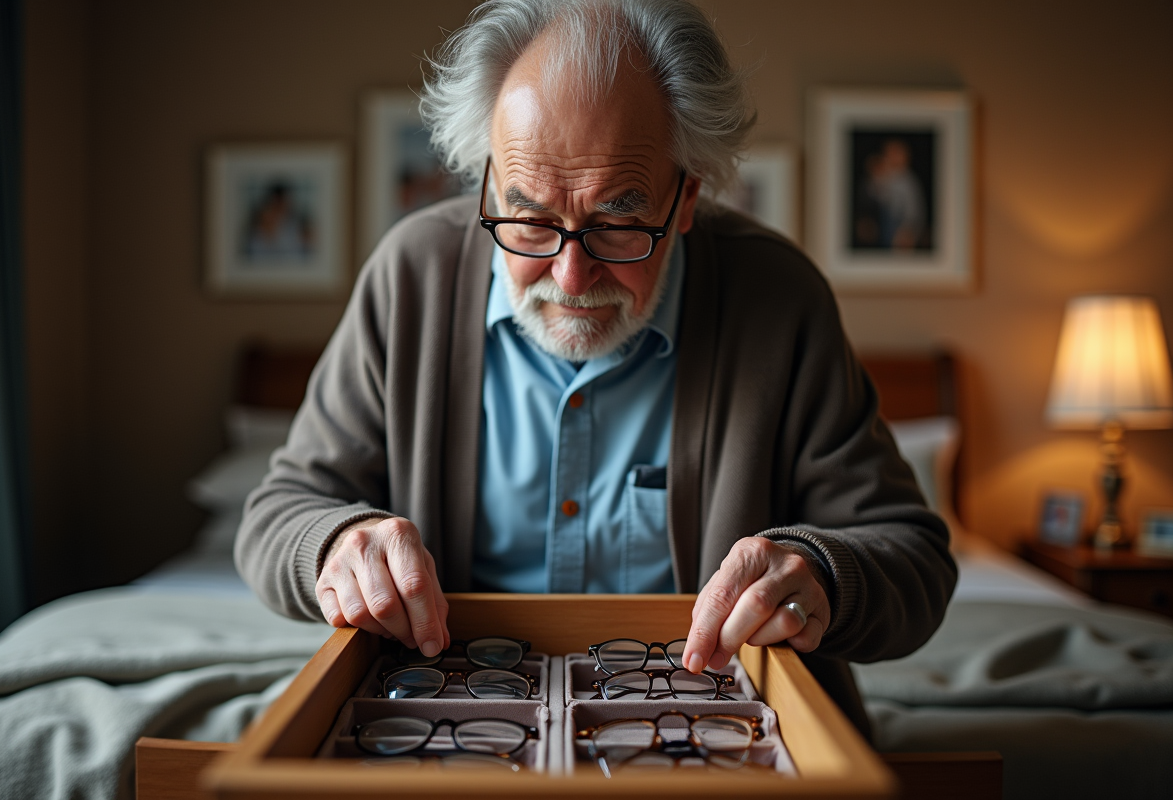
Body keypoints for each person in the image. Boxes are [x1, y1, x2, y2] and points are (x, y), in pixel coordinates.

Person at [235, 0, 956, 735]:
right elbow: (276, 514)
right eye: (529, 218)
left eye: (616, 222)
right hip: (444, 728)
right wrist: (333, 543)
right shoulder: (410, 275)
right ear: (488, 183)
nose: (570, 277)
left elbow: (914, 557)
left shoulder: (778, 297)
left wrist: (822, 573)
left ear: (686, 197)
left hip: (720, 741)